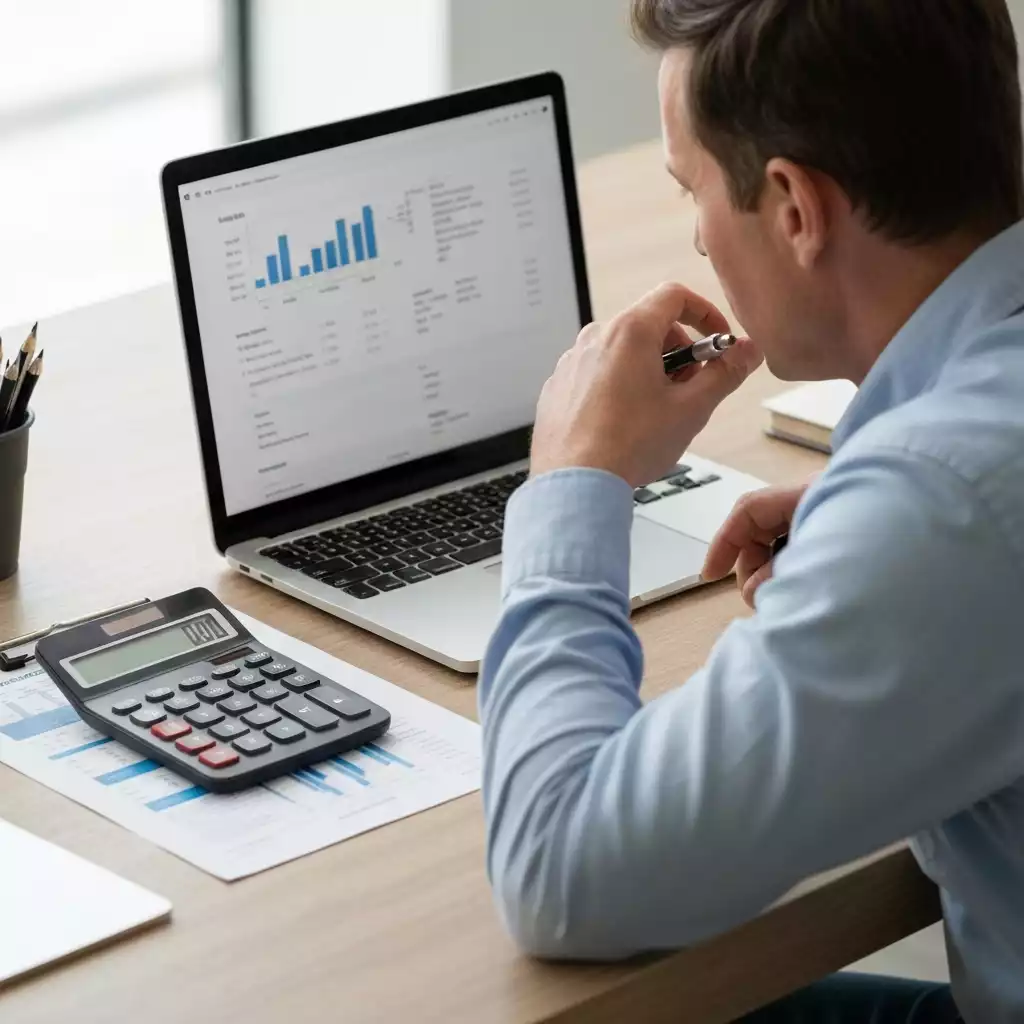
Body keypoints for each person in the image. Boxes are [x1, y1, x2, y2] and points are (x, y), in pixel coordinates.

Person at [477, 0, 1024, 1020]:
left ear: (792, 209)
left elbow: (559, 868)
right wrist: (882, 532)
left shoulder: (950, 502)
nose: (693, 235)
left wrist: (570, 482)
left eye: (691, 191)